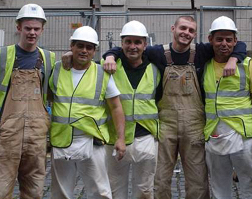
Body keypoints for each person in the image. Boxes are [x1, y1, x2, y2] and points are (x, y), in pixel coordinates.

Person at [103, 16, 246, 199]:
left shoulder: (202, 52)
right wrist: (109, 55)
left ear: (195, 34)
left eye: (191, 30)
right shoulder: (157, 53)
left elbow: (238, 44)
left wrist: (234, 59)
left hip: (194, 126)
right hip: (166, 125)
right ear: (173, 29)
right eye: (183, 28)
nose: (186, 33)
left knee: (197, 179)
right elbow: (127, 48)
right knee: (161, 178)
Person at [49, 26, 126, 199]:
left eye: (89, 47)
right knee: (60, 193)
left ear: (94, 50)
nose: (84, 50)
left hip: (92, 141)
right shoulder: (57, 69)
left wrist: (121, 139)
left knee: (99, 192)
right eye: (80, 45)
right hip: (61, 140)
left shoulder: (102, 73)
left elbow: (116, 107)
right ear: (72, 46)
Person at [203, 16, 252, 199]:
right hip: (214, 135)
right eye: (219, 39)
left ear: (235, 41)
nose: (224, 43)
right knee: (218, 186)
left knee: (251, 185)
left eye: (229, 40)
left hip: (244, 137)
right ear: (210, 40)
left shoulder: (248, 66)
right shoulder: (204, 66)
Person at [0, 4, 55, 199]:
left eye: (36, 29)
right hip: (7, 135)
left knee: (34, 190)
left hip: (36, 137)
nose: (32, 33)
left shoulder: (48, 58)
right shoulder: (3, 55)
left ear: (42, 29)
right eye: (27, 28)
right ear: (18, 28)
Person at [102, 20, 161, 199]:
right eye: (128, 41)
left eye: (137, 42)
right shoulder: (108, 68)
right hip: (115, 138)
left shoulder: (156, 69)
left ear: (145, 44)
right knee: (114, 189)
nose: (132, 46)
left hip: (146, 137)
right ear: (122, 44)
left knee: (144, 190)